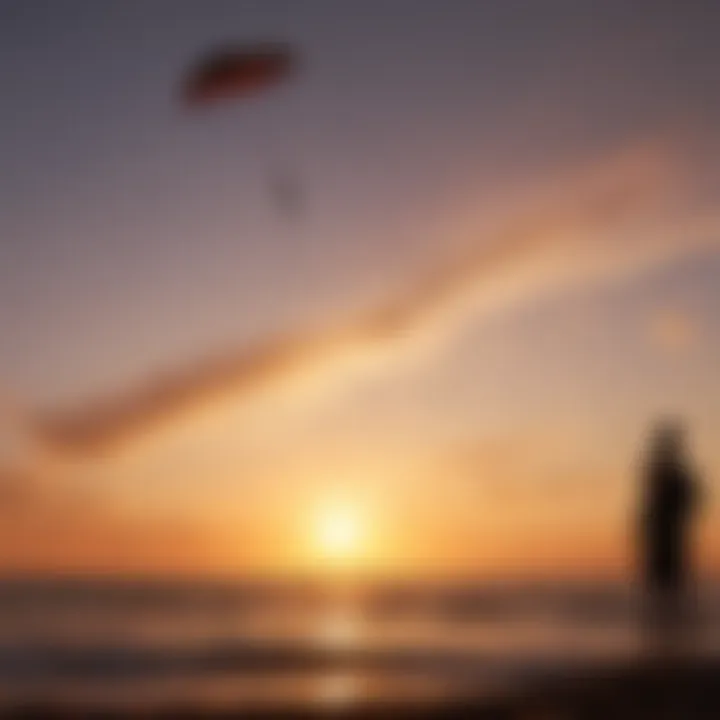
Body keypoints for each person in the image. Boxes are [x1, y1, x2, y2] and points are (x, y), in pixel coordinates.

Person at [639, 419, 700, 626]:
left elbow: (688, 501)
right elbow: (650, 508)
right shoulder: (659, 474)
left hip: (669, 539)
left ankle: (669, 632)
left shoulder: (671, 475)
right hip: (660, 539)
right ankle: (664, 632)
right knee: (662, 585)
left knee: (669, 584)